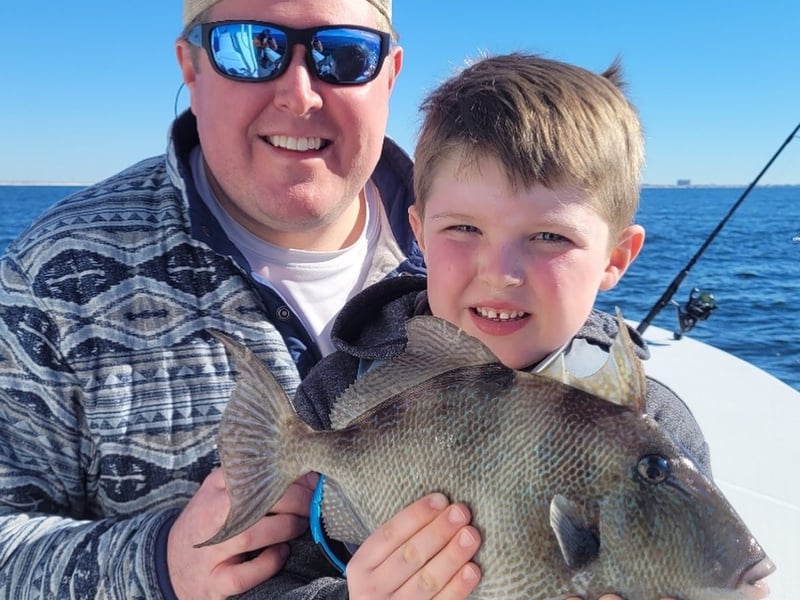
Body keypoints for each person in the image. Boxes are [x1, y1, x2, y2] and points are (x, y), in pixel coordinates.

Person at [0, 1, 487, 599]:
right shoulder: (57, 272)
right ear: (191, 66)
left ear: (389, 72)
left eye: (345, 54)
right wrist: (156, 565)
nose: (300, 95)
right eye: (250, 48)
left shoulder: (508, 257)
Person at [286, 53, 709, 599]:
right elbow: (265, 583)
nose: (501, 273)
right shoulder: (338, 392)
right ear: (419, 233)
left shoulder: (654, 427)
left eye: (550, 237)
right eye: (464, 228)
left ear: (615, 258)